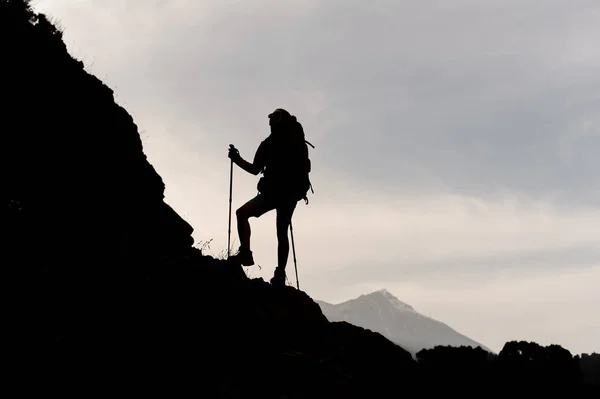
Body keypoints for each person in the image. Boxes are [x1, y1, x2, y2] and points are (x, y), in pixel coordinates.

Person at [228, 108, 311, 286]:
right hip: (288, 195)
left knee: (242, 213)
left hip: (275, 193)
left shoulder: (270, 143)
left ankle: (246, 254)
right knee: (281, 231)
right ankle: (279, 273)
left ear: (281, 120)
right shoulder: (294, 142)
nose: (270, 117)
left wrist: (236, 159)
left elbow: (254, 169)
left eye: (275, 115)